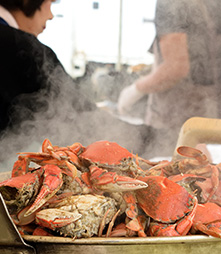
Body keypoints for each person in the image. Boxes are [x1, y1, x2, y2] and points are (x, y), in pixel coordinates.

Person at [0, 0, 148, 165]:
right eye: (50, 2)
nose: (51, 15)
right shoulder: (25, 49)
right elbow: (79, 114)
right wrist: (149, 137)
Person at [118, 0, 221, 158]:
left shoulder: (170, 3)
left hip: (181, 119)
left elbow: (175, 68)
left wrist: (135, 90)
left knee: (184, 176)